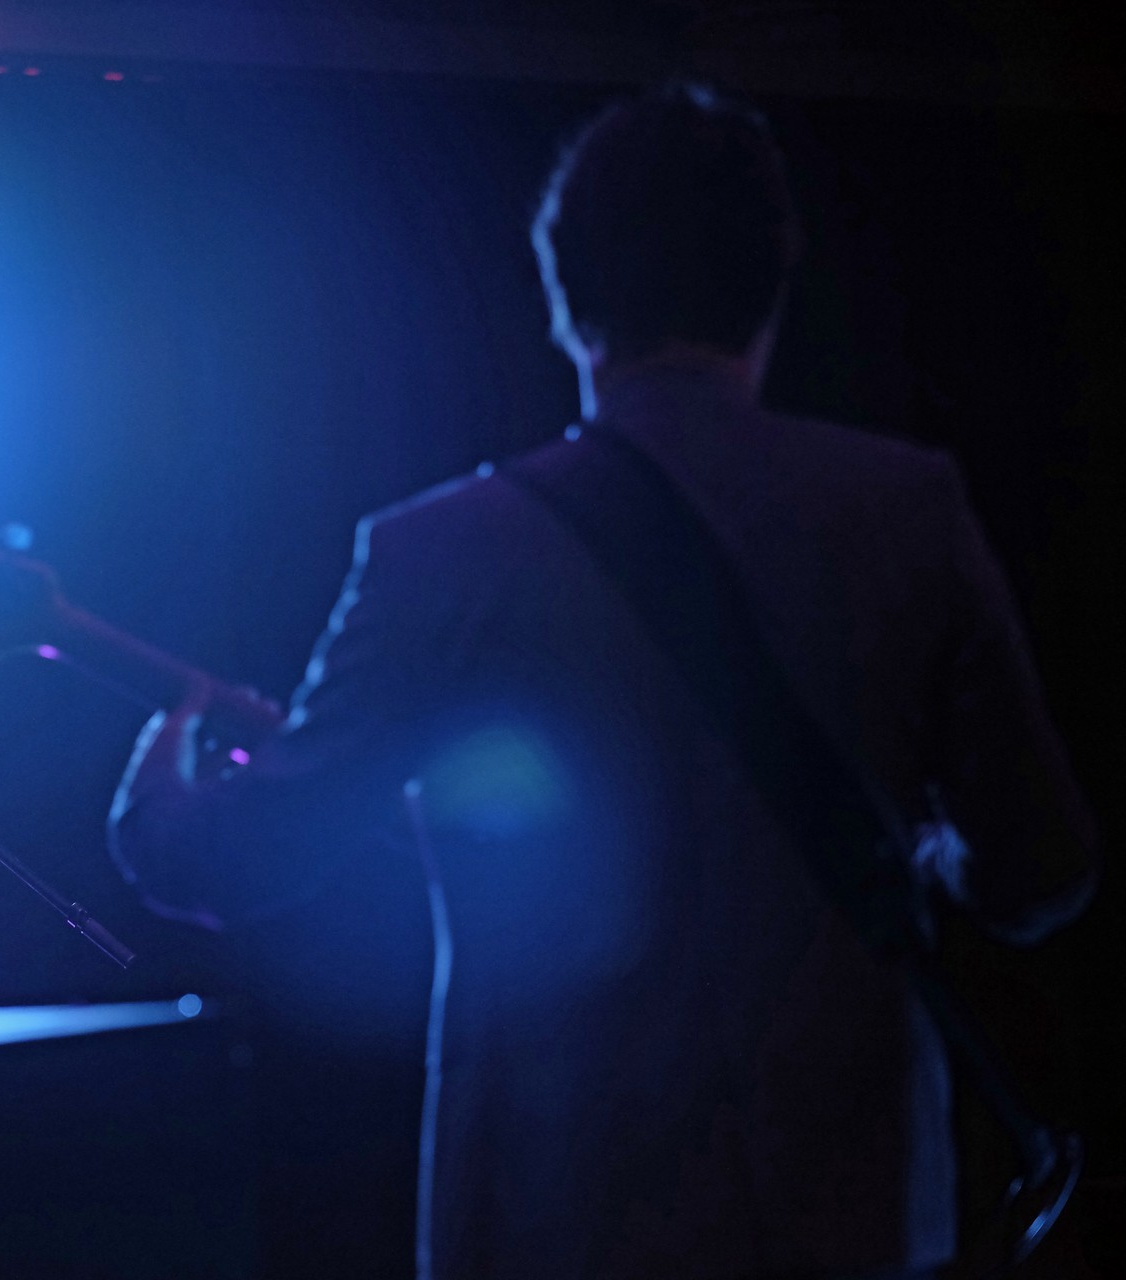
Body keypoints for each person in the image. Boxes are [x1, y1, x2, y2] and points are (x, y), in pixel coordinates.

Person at [109, 84, 1097, 1279]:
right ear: (770, 285)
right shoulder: (909, 512)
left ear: (564, 298)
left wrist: (159, 771)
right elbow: (1043, 875)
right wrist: (918, 852)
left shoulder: (439, 549)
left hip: (555, 1210)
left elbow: (237, 859)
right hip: (847, 1207)